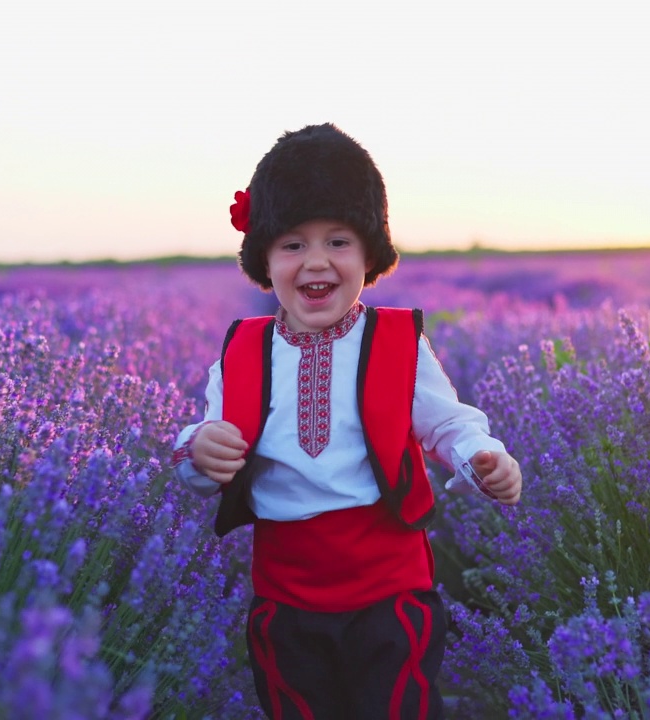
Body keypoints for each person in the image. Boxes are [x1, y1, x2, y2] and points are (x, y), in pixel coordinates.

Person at [171, 123, 522, 720]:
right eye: (292, 245)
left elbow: (448, 424)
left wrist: (481, 457)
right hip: (284, 594)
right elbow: (207, 453)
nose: (316, 262)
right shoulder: (243, 350)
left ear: (369, 254)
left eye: (338, 242)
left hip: (388, 586)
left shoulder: (396, 343)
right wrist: (199, 450)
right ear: (263, 258)